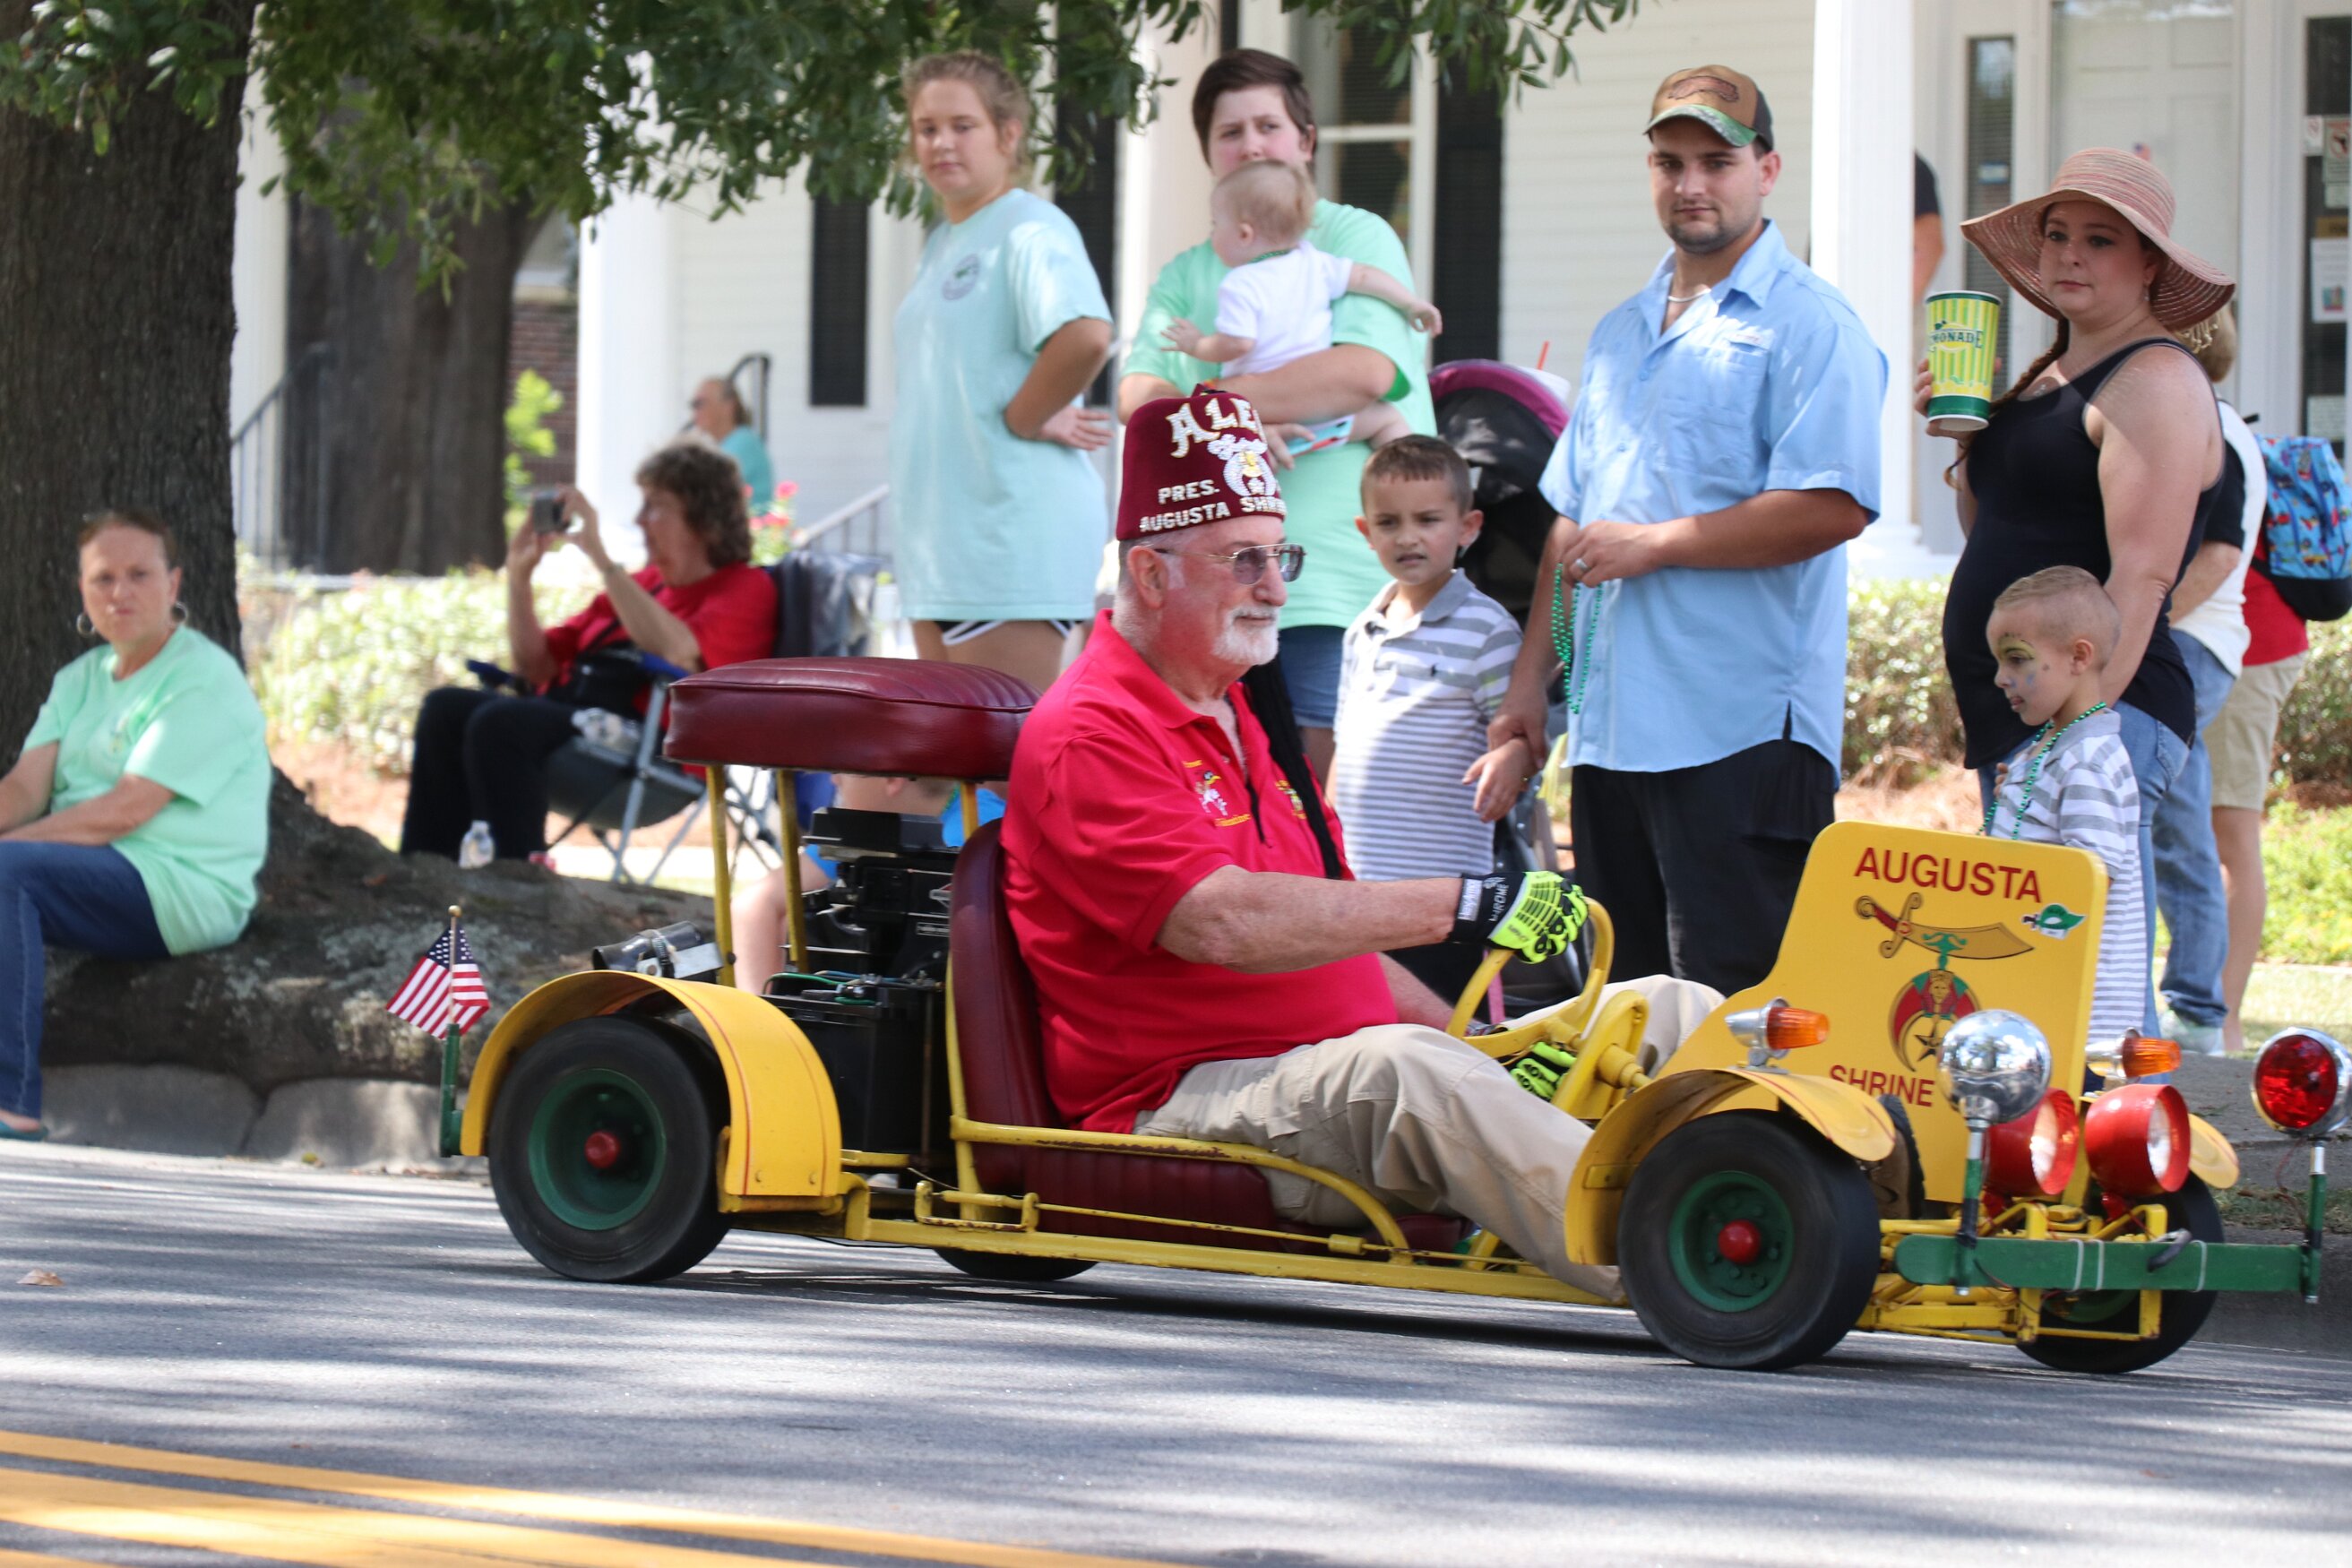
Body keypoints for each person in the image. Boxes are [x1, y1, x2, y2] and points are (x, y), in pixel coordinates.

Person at [1002, 389, 1720, 1300]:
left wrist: (1481, 1044)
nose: (1276, 588)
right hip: (1181, 1099)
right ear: (1149, 574)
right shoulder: (1090, 730)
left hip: (1327, 1074)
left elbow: (1337, 944)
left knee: (1670, 1007)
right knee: (1408, 1070)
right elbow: (1219, 922)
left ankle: (1848, 1194)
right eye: (1245, 560)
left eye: (1281, 556)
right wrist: (1466, 904)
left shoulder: (1241, 717)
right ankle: (1697, 1259)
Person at [1486, 64, 1885, 996]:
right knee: (1626, 1010)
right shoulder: (1620, 331)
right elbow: (1571, 525)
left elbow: (1833, 507)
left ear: (1767, 169)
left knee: (1740, 1014)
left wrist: (1657, 544)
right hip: (1612, 734)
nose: (1691, 184)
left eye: (1717, 161)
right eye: (1670, 162)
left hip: (1739, 734)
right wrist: (1526, 690)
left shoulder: (1811, 324)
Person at [1926, 148, 2236, 1032]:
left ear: (2150, 266)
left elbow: (2141, 575)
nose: (2067, 254)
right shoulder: (2046, 373)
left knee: (2092, 975)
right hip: (2031, 714)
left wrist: (2074, 737)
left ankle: (2130, 1124)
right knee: (2038, 970)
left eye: (2099, 240)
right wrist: (1966, 436)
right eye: (2056, 235)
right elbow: (1997, 533)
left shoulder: (2156, 379)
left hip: (2102, 714)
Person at [1120, 48, 1437, 780]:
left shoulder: (1350, 237)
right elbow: (1139, 399)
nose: (1252, 145)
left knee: (1325, 806)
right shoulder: (1187, 271)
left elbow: (1362, 372)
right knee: (1236, 808)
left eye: (1268, 126)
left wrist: (1209, 409)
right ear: (1208, 153)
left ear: (1306, 140)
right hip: (1208, 595)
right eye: (1230, 132)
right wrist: (1241, 418)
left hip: (1338, 576)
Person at [0, 510, 270, 1139]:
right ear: (82, 591)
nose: (119, 592)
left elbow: (125, 811)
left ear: (173, 584)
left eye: (139, 575)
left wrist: (9, 846)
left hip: (181, 884)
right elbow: (23, 790)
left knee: (6, 874)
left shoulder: (202, 678)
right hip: (95, 869)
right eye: (103, 578)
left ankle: (11, 1104)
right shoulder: (78, 682)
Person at [400, 444, 777, 864]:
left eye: (655, 506)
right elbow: (535, 666)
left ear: (704, 518)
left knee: (502, 723)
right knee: (445, 708)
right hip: (580, 725)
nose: (640, 520)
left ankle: (518, 880)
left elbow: (679, 651)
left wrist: (600, 557)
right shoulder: (643, 584)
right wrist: (519, 577)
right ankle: (424, 872)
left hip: (654, 757)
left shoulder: (746, 589)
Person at [891, 51, 1114, 696]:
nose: (941, 142)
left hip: (1008, 544)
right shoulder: (943, 242)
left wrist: (1026, 415)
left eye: (963, 126)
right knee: (946, 751)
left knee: (1003, 753)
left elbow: (1086, 335)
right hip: (942, 550)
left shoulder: (1029, 229)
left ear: (1007, 134)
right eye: (927, 128)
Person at [1327, 436, 1529, 997]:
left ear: (1468, 527)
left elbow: (1518, 731)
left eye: (1428, 520)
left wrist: (1514, 757)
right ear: (1366, 532)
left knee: (1445, 1020)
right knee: (1370, 1015)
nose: (1407, 537)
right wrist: (1329, 841)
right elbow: (1344, 745)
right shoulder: (1360, 631)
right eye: (1388, 522)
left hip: (1444, 895)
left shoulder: (1487, 629)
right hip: (1363, 888)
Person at [1159, 159, 1442, 451]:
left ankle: (1267, 438)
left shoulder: (1239, 284)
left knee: (1203, 406)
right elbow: (1363, 276)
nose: (1212, 235)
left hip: (1266, 413)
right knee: (1387, 419)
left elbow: (1238, 343)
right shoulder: (1312, 262)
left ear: (1244, 235)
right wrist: (1410, 303)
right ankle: (1409, 462)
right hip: (1324, 411)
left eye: (1215, 225)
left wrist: (1198, 345)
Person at [2151, 310, 2257, 1055]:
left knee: (2171, 824)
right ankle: (2192, 1006)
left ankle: (2194, 1010)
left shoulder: (2213, 429)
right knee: (2173, 820)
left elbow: (2218, 555)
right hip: (2190, 643)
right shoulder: (2212, 422)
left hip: (2189, 644)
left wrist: (2138, 625)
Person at [1982, 568, 2146, 1044]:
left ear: (2078, 657)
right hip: (2041, 1005)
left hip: (2078, 1020)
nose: (2000, 678)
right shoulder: (2053, 751)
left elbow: (2087, 883)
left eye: (2017, 659)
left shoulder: (2087, 761)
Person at [732, 775, 1002, 993]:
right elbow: (755, 905)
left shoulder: (976, 827)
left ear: (892, 779)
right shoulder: (872, 821)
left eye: (845, 770)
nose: (834, 780)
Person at [2209, 530, 2311, 1055]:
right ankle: (2213, 1016)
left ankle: (2222, 1023)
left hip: (2248, 643)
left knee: (2231, 836)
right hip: (2241, 639)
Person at [690, 377, 777, 512]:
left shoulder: (743, 443)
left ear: (728, 406)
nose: (695, 410)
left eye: (700, 403)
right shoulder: (727, 444)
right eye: (693, 404)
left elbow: (704, 494)